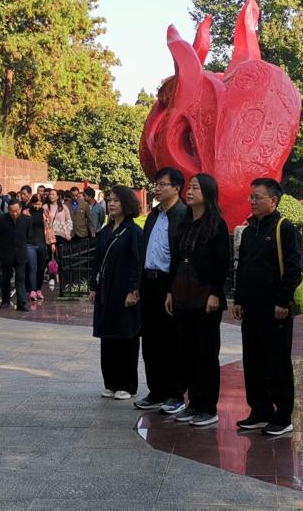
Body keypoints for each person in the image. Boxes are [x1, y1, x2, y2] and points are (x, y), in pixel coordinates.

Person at [231, 178, 303, 436]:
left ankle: (282, 416)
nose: (252, 201)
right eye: (251, 197)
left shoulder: (285, 228)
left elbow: (294, 269)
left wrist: (283, 301)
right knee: (253, 361)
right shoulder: (250, 230)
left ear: (273, 200)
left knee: (277, 362)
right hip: (251, 307)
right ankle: (260, 411)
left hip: (275, 309)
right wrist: (239, 299)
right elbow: (242, 268)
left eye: (257, 197)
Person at [164, 174, 231, 427]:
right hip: (182, 294)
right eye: (189, 188)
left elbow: (222, 263)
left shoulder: (216, 225)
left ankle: (208, 407)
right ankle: (193, 403)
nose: (189, 192)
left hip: (205, 296)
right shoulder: (185, 223)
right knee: (187, 352)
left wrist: (215, 292)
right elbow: (175, 259)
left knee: (206, 353)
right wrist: (170, 291)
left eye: (195, 188)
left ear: (208, 193)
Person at [136, 168, 189, 414]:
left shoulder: (184, 215)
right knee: (150, 340)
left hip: (170, 283)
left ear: (176, 188)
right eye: (156, 184)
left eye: (162, 185)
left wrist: (173, 288)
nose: (157, 189)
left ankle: (175, 393)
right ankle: (156, 391)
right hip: (149, 282)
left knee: (172, 340)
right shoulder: (154, 215)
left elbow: (182, 256)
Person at [89, 186, 144, 400]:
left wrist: (133, 290)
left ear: (126, 204)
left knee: (126, 337)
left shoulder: (133, 231)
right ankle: (110, 382)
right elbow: (96, 261)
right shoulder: (105, 231)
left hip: (124, 290)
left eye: (116, 201)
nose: (112, 204)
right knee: (108, 336)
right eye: (110, 200)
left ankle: (126, 385)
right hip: (106, 289)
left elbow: (137, 263)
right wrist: (93, 288)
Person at [0, 201, 32, 311]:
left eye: (16, 211)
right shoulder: (1, 219)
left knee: (20, 279)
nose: (14, 213)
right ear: (8, 210)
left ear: (21, 209)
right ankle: (5, 301)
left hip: (20, 254)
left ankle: (22, 303)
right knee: (5, 278)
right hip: (5, 253)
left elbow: (28, 236)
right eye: (12, 211)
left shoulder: (27, 220)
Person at [26, 195, 48, 301]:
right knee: (32, 267)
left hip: (42, 243)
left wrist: (52, 243)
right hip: (30, 244)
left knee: (41, 268)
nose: (37, 206)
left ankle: (39, 289)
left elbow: (49, 228)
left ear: (42, 203)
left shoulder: (45, 213)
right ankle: (33, 290)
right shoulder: (27, 212)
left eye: (39, 204)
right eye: (35, 204)